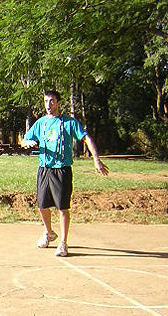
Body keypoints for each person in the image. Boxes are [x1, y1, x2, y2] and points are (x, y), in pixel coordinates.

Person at [22, 90, 109, 257]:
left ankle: (63, 242)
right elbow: (25, 139)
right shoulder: (41, 123)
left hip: (62, 170)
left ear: (58, 103)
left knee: (62, 207)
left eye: (52, 101)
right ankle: (49, 233)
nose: (48, 105)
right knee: (42, 205)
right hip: (44, 169)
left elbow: (86, 138)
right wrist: (28, 142)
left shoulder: (68, 122)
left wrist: (96, 159)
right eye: (46, 101)